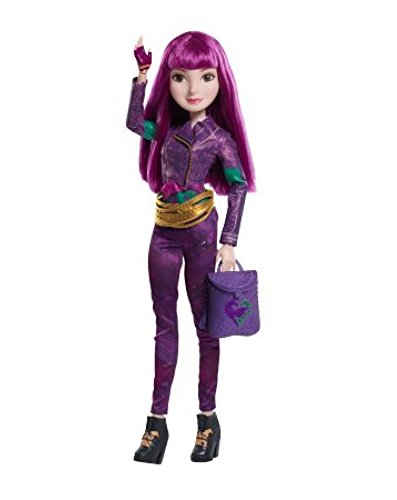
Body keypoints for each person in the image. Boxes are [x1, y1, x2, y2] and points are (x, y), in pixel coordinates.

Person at [126, 31, 256, 464]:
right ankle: (157, 422)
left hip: (202, 232)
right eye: (181, 77)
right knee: (164, 325)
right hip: (163, 230)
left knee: (206, 326)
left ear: (221, 81)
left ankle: (207, 420)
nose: (193, 88)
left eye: (206, 77)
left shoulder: (219, 139)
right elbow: (135, 124)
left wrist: (229, 242)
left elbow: (238, 188)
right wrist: (141, 78)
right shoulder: (166, 130)